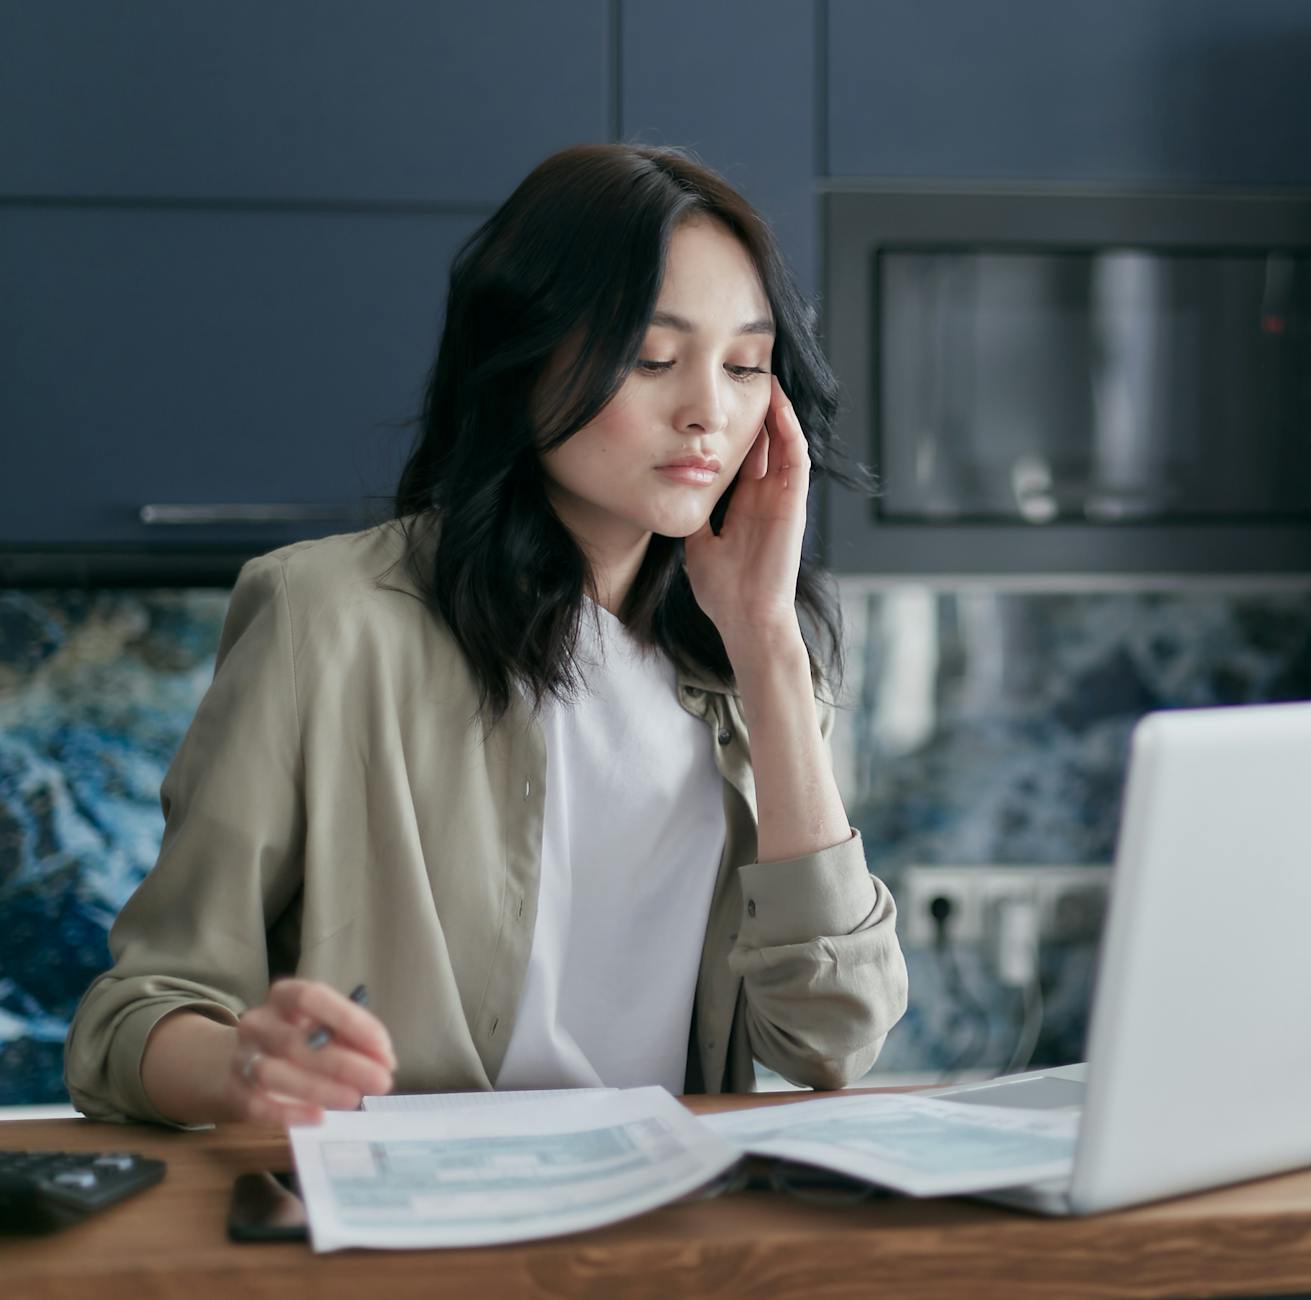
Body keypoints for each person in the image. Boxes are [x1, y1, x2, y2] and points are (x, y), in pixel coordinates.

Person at [64, 143, 909, 1129]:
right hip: (407, 1236)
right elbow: (130, 1020)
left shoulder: (745, 659)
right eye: (651, 356)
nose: (707, 412)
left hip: (669, 1234)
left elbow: (831, 1038)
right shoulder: (325, 617)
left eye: (745, 364)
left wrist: (766, 639)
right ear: (520, 356)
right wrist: (244, 1065)